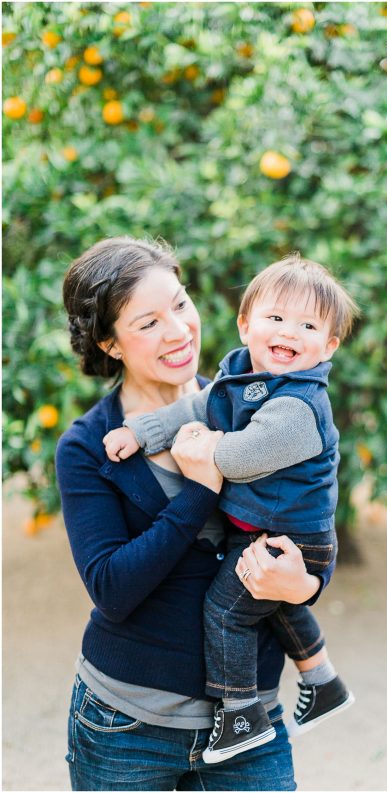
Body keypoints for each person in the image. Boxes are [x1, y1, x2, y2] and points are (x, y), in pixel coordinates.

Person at [56, 236, 334, 791]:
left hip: (250, 720)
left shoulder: (262, 413)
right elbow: (111, 587)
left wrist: (305, 586)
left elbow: (309, 518)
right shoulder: (89, 447)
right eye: (148, 322)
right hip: (125, 724)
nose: (179, 330)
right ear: (111, 343)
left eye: (181, 304)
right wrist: (199, 493)